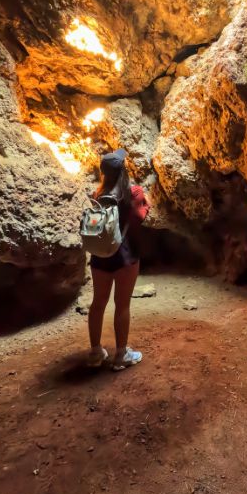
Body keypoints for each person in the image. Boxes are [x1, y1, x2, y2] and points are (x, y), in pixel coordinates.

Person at [87, 148, 150, 370]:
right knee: (122, 305)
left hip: (100, 256)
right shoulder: (134, 192)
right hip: (125, 255)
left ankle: (96, 352)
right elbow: (140, 216)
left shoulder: (97, 194)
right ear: (123, 170)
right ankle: (121, 355)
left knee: (98, 303)